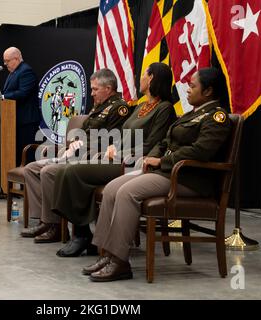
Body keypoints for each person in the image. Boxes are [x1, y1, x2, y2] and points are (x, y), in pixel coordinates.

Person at [85, 67, 232, 282]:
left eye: (192, 86)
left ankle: (119, 261)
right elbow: (163, 143)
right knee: (112, 188)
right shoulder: (192, 114)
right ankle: (106, 253)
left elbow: (201, 151)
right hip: (165, 172)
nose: (188, 90)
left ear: (208, 91)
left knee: (126, 193)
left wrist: (161, 161)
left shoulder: (217, 117)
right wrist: (149, 160)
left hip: (187, 179)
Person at [51, 63, 176, 257]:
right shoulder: (141, 106)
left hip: (131, 162)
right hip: (117, 156)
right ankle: (83, 233)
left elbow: (153, 143)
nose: (140, 77)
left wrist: (120, 153)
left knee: (73, 171)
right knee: (67, 169)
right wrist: (113, 147)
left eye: (144, 74)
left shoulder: (164, 108)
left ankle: (82, 235)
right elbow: (123, 135)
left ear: (151, 78)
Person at [21, 68, 131, 243]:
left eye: (95, 89)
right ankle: (44, 220)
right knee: (31, 168)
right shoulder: (99, 106)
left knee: (48, 172)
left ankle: (55, 225)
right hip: (77, 152)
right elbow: (85, 131)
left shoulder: (119, 108)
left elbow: (111, 141)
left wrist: (81, 147)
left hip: (92, 157)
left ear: (108, 88)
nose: (92, 93)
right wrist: (73, 143)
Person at [0, 47, 40, 166]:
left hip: (27, 121)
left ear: (16, 59)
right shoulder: (14, 72)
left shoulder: (26, 71)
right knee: (18, 155)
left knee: (27, 155)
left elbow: (23, 93)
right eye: (4, 61)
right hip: (16, 120)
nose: (5, 64)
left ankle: (30, 181)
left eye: (7, 61)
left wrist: (3, 97)